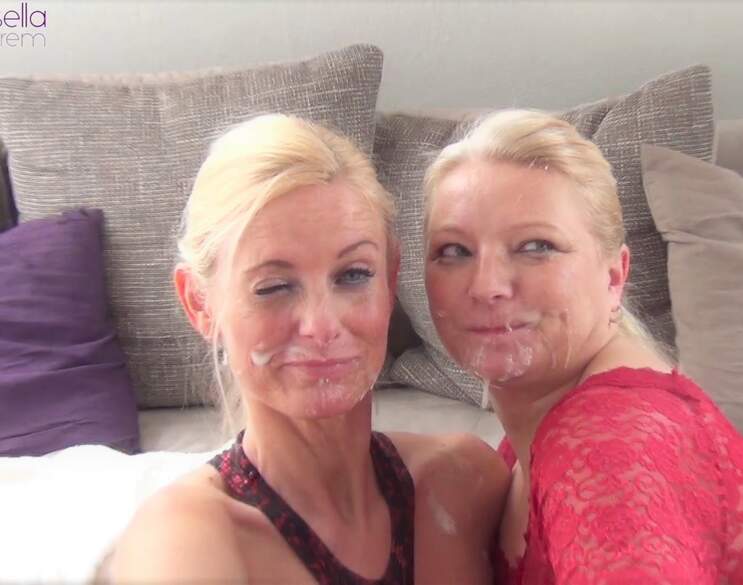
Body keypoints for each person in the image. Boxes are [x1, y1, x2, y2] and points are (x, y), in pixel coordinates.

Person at [423, 109, 743, 584]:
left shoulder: (609, 443)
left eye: (536, 247)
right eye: (454, 251)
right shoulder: (540, 429)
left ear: (614, 276)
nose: (487, 286)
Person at [108, 114, 509, 584]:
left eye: (353, 275)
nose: (322, 326)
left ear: (390, 280)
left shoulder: (466, 481)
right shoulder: (183, 546)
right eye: (274, 287)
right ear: (200, 304)